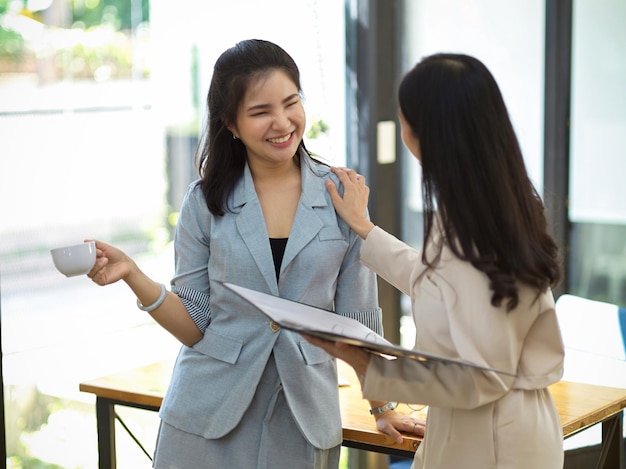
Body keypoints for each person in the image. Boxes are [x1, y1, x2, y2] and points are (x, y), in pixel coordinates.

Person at [87, 39, 420, 469]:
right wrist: (133, 274)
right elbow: (194, 327)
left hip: (302, 421)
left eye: (291, 103)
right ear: (231, 124)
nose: (282, 122)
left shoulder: (342, 197)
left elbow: (357, 323)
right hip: (204, 418)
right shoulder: (204, 202)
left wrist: (381, 407)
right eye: (261, 112)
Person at [308, 53, 565, 468]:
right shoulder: (498, 200)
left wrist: (366, 362)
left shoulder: (472, 224)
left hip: (491, 438)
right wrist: (365, 229)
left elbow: (483, 375)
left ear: (424, 131)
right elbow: (447, 285)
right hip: (496, 425)